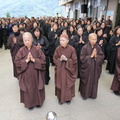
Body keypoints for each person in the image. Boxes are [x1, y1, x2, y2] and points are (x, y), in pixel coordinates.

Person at [15, 32, 46, 110]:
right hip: (26, 75)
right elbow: (17, 62)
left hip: (36, 74)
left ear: (32, 40)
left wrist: (34, 60)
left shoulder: (37, 49)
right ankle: (30, 104)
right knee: (28, 89)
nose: (27, 42)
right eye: (25, 40)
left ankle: (38, 102)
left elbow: (43, 60)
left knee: (37, 88)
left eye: (28, 40)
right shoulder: (21, 51)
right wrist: (26, 61)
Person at [53, 33, 77, 105]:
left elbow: (74, 60)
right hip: (60, 70)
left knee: (68, 84)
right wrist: (60, 59)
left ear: (67, 41)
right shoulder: (58, 49)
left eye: (63, 40)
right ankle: (60, 97)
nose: (61, 42)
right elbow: (54, 59)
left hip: (68, 70)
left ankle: (68, 98)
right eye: (60, 40)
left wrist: (67, 59)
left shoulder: (72, 49)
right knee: (60, 83)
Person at [79, 33, 104, 100]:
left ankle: (93, 94)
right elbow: (82, 58)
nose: (94, 41)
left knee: (94, 81)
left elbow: (102, 56)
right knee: (86, 81)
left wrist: (96, 56)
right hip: (87, 69)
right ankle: (85, 94)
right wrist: (91, 56)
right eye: (92, 39)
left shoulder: (98, 47)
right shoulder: (85, 47)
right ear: (89, 39)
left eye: (95, 39)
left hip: (95, 68)